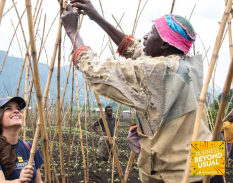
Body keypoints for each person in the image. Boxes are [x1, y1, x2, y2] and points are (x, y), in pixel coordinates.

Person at [61, 1, 221, 182]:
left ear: (164, 45)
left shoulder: (157, 71)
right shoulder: (189, 64)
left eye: (152, 32)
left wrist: (72, 32)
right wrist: (96, 16)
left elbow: (96, 70)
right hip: (208, 158)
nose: (144, 37)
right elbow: (135, 48)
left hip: (184, 172)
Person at [0, 96, 44, 183]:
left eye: (18, 109)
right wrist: (19, 181)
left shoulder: (29, 148)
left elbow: (38, 181)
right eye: (8, 109)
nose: (16, 111)